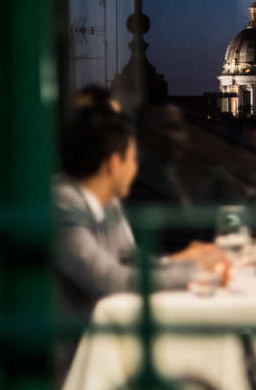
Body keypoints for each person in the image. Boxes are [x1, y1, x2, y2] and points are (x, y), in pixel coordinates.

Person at [53, 107, 226, 324]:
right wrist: (198, 274)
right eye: (133, 160)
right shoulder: (62, 202)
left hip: (111, 326)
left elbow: (129, 259)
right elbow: (110, 280)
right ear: (114, 164)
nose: (136, 169)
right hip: (76, 344)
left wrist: (190, 262)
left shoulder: (108, 201)